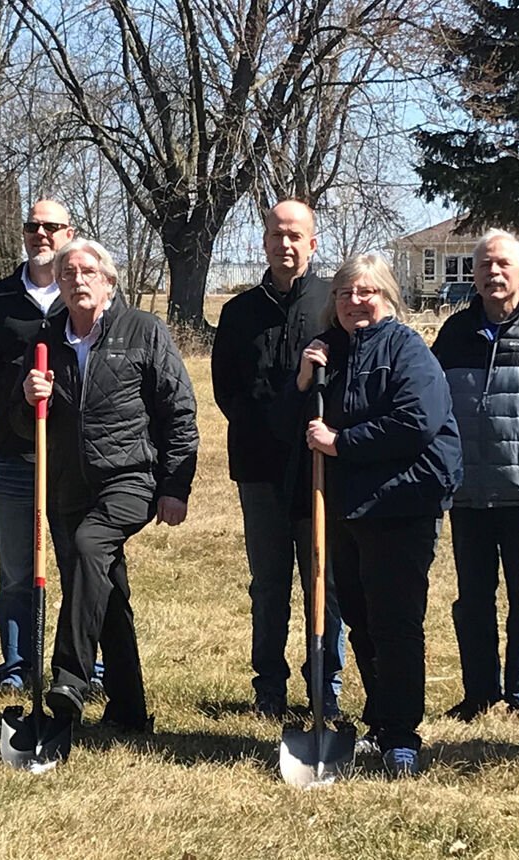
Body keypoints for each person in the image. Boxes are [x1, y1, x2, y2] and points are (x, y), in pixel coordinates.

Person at [289, 252, 460, 776]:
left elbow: (417, 419)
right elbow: (301, 425)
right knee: (360, 618)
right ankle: (379, 720)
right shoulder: (327, 353)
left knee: (395, 620)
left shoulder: (405, 347)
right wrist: (304, 378)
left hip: (402, 500)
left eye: (365, 292)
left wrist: (343, 443)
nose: (354, 302)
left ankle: (403, 732)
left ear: (386, 297)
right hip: (347, 503)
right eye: (344, 293)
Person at [19, 238, 198, 733]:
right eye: (68, 272)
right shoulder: (46, 337)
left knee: (89, 546)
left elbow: (178, 410)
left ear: (109, 280)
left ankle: (71, 678)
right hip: (67, 483)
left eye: (87, 272)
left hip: (131, 476)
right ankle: (129, 709)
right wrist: (28, 395)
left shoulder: (142, 330)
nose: (77, 280)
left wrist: (175, 486)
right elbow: (18, 421)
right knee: (100, 586)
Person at [211, 198, 344, 719]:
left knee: (323, 580)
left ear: (313, 242)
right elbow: (227, 391)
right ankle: (269, 686)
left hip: (320, 467)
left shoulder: (333, 306)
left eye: (295, 236)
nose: (285, 244)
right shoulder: (239, 313)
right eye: (276, 235)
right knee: (269, 583)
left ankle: (323, 684)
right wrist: (267, 426)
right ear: (263, 242)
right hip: (260, 469)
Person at [431, 230, 519, 721]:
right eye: (485, 265)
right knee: (472, 603)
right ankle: (479, 693)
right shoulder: (454, 334)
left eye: (504, 264)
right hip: (468, 492)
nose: (494, 273)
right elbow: (435, 405)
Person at [0, 199, 79, 694]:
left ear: (68, 232)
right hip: (13, 456)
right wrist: (14, 405)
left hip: (74, 459)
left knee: (80, 564)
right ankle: (17, 664)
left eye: (51, 226)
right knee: (16, 569)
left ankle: (80, 665)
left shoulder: (83, 293)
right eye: (33, 226)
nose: (41, 234)